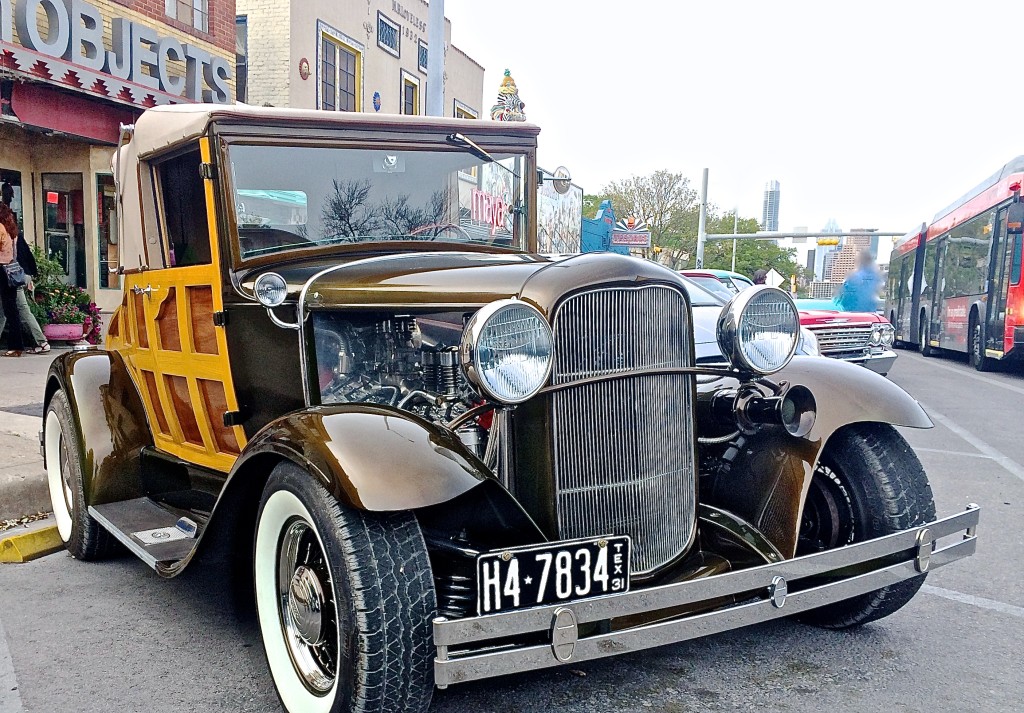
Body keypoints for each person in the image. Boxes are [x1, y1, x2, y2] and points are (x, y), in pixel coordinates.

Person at [0, 224, 48, 354]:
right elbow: (27, 255)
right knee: (5, 310)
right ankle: (41, 342)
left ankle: (41, 341)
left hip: (11, 277)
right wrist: (29, 275)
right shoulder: (16, 234)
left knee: (20, 308)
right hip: (19, 275)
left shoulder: (5, 234)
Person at [0, 204, 24, 357]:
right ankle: (17, 346)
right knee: (12, 309)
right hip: (11, 271)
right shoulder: (11, 229)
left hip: (1, 270)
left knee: (10, 310)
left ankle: (15, 346)